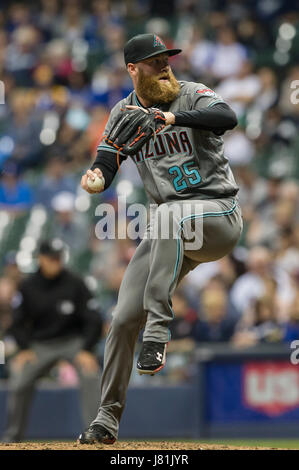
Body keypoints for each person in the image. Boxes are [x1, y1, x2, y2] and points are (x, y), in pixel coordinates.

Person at [79, 33, 243, 444]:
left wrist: (173, 119)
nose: (164, 64)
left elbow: (227, 117)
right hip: (169, 229)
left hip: (217, 214)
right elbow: (109, 154)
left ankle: (157, 334)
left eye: (166, 57)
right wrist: (98, 175)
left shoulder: (189, 94)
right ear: (132, 69)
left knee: (167, 215)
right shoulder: (123, 111)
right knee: (120, 320)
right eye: (154, 61)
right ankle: (106, 419)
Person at [1, 239, 103, 443]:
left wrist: (86, 349)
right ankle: (13, 437)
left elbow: (93, 318)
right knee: (20, 379)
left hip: (72, 342)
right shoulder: (28, 286)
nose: (56, 261)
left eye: (58, 257)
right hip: (40, 345)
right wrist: (24, 348)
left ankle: (94, 435)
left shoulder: (75, 282)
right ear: (41, 258)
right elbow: (17, 321)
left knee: (91, 374)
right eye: (51, 258)